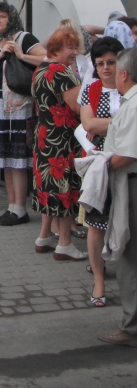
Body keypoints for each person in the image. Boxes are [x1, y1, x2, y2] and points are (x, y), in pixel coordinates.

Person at [0, 3, 46, 227]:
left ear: (12, 18)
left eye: (3, 16)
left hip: (17, 103)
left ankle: (21, 209)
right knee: (6, 159)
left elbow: (46, 58)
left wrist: (20, 54)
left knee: (17, 159)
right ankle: (11, 206)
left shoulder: (23, 38)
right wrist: (0, 55)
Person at [31, 28, 87, 262]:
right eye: (70, 48)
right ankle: (64, 243)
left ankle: (44, 236)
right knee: (65, 189)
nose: (75, 52)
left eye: (75, 47)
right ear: (56, 49)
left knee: (49, 187)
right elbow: (77, 107)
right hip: (63, 138)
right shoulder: (62, 72)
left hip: (45, 134)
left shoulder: (41, 69)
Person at [79, 36, 123, 307]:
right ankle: (98, 278)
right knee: (96, 224)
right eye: (100, 63)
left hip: (127, 160)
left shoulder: (130, 88)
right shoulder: (92, 89)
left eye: (111, 62)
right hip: (100, 163)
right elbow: (89, 125)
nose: (105, 68)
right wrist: (123, 121)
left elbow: (97, 123)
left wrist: (102, 123)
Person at [97, 47, 137, 346]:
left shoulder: (133, 105)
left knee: (129, 256)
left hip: (131, 182)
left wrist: (99, 165)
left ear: (124, 74)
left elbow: (127, 154)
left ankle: (131, 327)